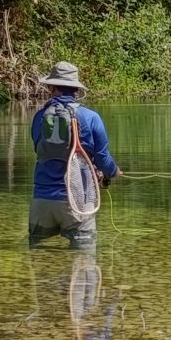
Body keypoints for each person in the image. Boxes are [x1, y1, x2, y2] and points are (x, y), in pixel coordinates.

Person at [29, 61, 122, 250]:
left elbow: (40, 150)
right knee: (84, 266)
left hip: (42, 201)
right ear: (76, 89)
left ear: (51, 87)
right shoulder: (90, 117)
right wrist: (113, 172)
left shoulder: (39, 117)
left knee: (40, 265)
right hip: (77, 203)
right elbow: (103, 158)